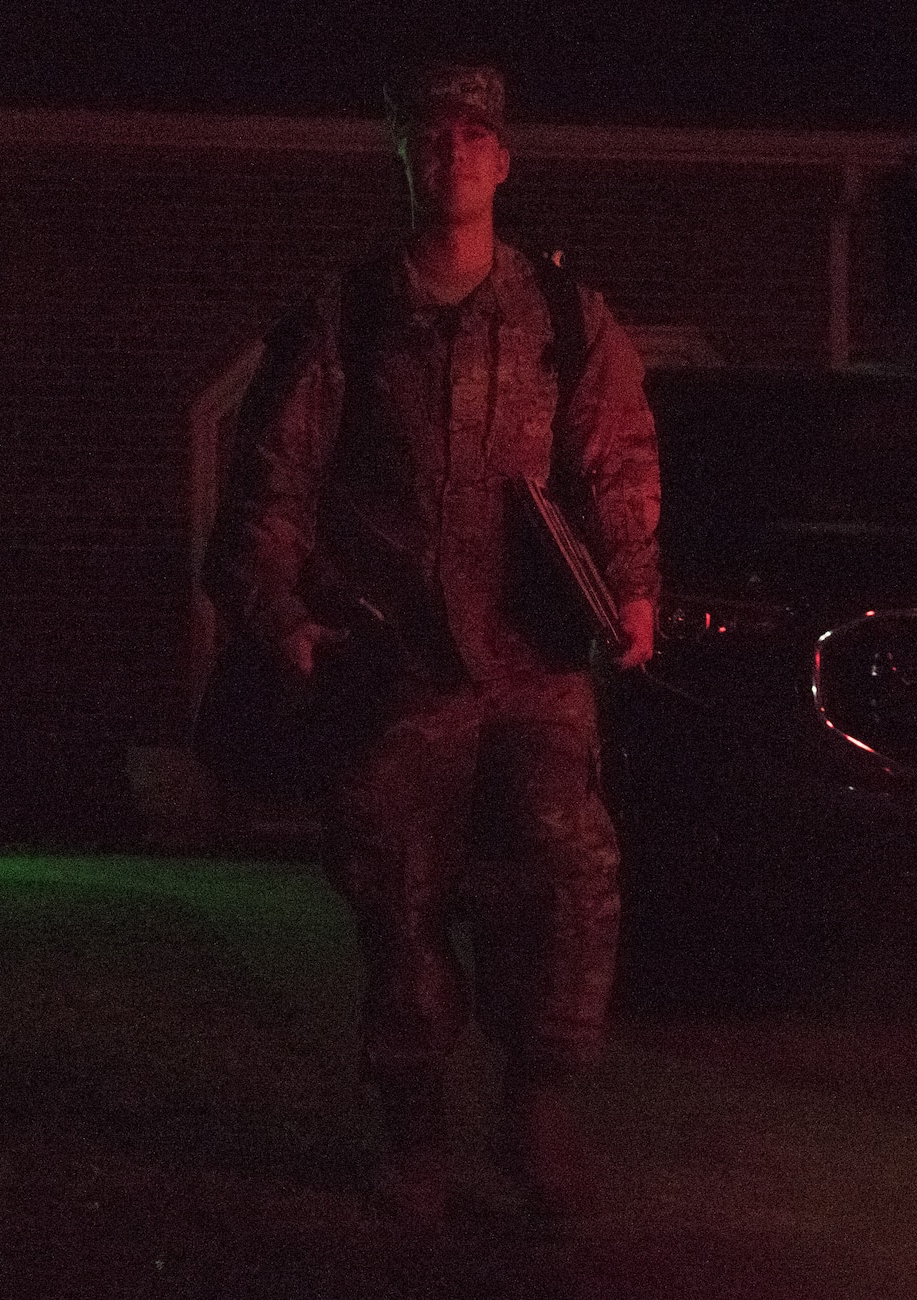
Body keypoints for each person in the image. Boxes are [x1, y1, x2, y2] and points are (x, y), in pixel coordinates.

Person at [203, 62, 661, 1226]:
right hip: (393, 663)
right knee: (399, 901)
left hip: (531, 663)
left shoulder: (565, 315)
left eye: (473, 136)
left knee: (571, 874)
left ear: (504, 160)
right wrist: (281, 615)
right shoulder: (346, 313)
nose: (452, 153)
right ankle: (415, 1136)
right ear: (403, 157)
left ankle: (535, 1110)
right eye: (430, 136)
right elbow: (275, 477)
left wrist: (633, 591)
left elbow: (612, 463)